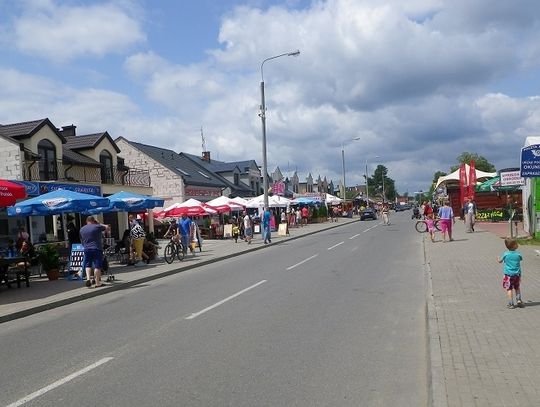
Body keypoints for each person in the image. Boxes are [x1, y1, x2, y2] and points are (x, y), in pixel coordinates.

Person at [79, 216, 109, 288]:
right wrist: (99, 223)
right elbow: (107, 227)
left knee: (88, 264)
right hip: (96, 248)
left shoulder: (82, 229)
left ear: (86, 221)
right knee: (97, 266)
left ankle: (88, 279)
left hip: (86, 249)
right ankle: (97, 283)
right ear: (93, 221)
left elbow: (81, 240)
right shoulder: (97, 227)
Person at [497, 238, 524, 309]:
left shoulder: (506, 254)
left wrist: (498, 259)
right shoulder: (518, 254)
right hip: (517, 275)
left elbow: (500, 261)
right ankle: (519, 300)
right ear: (515, 246)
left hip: (508, 275)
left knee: (509, 289)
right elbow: (521, 259)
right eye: (516, 243)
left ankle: (511, 304)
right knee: (517, 287)